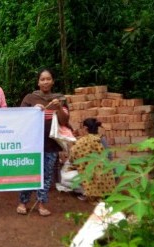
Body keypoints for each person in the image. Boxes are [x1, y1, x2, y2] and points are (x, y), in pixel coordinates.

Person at [16, 68, 69, 217]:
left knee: (46, 176)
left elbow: (65, 121)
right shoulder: (30, 98)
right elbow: (19, 118)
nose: (45, 82)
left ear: (53, 81)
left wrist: (58, 108)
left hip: (51, 145)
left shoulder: (60, 99)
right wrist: (32, 110)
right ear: (38, 82)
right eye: (42, 79)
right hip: (31, 144)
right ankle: (23, 202)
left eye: (48, 79)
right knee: (28, 173)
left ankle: (41, 204)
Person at [69, 118, 116, 200]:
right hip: (108, 177)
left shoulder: (81, 142)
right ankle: (104, 193)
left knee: (67, 175)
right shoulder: (101, 139)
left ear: (85, 128)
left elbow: (72, 158)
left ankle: (86, 193)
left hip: (91, 176)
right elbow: (110, 157)